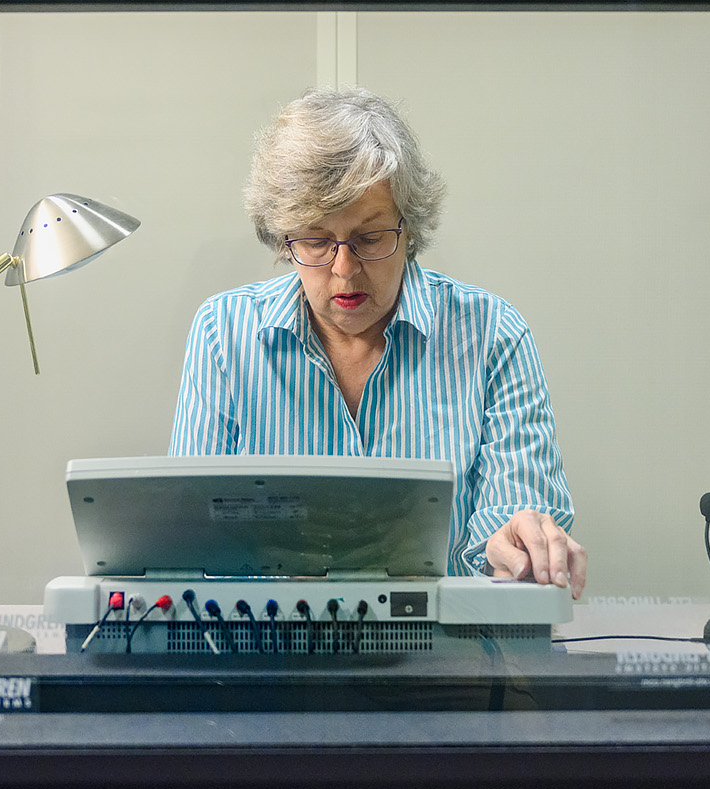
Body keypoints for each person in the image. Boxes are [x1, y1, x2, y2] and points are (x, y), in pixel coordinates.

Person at [168, 89, 584, 596]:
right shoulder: (224, 333)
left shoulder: (492, 336)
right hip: (270, 640)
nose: (345, 269)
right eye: (316, 240)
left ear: (410, 229)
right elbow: (189, 546)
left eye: (369, 239)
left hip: (447, 641)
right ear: (283, 240)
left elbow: (511, 528)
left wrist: (517, 551)